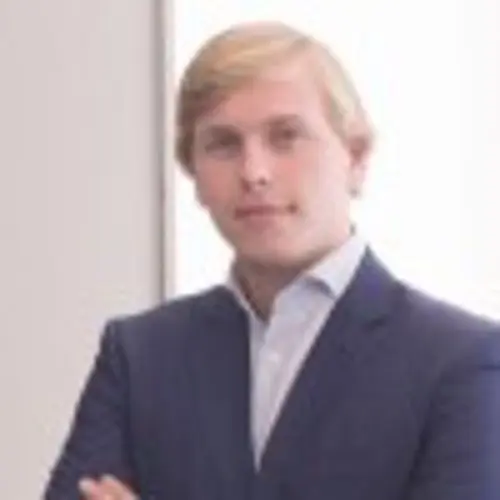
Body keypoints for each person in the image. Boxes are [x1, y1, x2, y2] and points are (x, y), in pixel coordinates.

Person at [44, 21, 500, 500]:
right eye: (223, 144)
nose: (254, 172)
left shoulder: (462, 361)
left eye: (285, 137)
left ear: (356, 156)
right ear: (193, 174)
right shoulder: (140, 355)